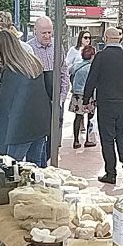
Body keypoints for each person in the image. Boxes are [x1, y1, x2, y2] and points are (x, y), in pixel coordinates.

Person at [84, 27, 123, 184]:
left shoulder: (101, 57)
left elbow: (92, 79)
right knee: (122, 134)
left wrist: (86, 99)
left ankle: (111, 173)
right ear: (119, 39)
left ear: (105, 38)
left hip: (106, 102)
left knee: (107, 138)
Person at [0, 30, 51, 165]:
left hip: (20, 127)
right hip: (40, 122)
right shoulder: (33, 62)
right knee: (37, 167)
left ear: (2, 50)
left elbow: (2, 102)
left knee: (11, 165)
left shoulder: (11, 70)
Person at [28, 16, 70, 164]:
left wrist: (61, 98)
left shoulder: (58, 47)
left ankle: (46, 161)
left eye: (49, 32)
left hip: (56, 100)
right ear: (35, 31)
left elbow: (64, 73)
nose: (47, 36)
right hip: (37, 101)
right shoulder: (29, 48)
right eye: (43, 33)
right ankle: (40, 165)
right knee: (38, 137)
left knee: (54, 138)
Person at [68, 45, 97, 149]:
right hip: (89, 96)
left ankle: (76, 140)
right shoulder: (92, 68)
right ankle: (88, 139)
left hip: (76, 94)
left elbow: (70, 74)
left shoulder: (76, 65)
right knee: (90, 117)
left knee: (78, 117)